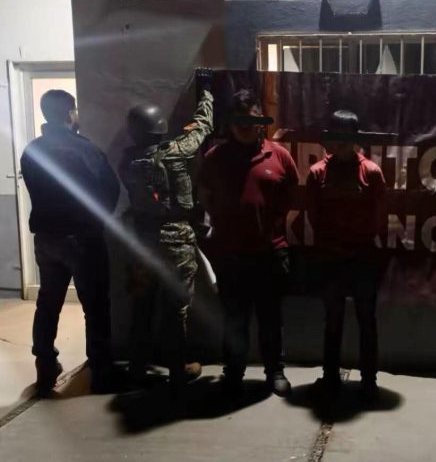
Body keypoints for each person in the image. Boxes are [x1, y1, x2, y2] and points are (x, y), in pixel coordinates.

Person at [119, 69, 214, 398]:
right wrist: (206, 91)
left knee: (142, 305)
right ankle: (177, 369)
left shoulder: (127, 162)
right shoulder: (176, 151)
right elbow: (202, 126)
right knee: (176, 309)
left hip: (141, 242)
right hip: (176, 241)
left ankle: (137, 367)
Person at [198, 89, 299, 397]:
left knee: (271, 318)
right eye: (238, 119)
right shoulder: (214, 158)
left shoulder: (278, 155)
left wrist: (272, 227)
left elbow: (292, 196)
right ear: (229, 122)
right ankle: (233, 373)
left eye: (250, 118)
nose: (244, 125)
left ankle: (275, 371)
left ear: (261, 121)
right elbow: (204, 197)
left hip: (270, 254)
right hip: (230, 256)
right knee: (234, 319)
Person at [21, 89, 120, 396]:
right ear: (69, 113)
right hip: (82, 239)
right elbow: (110, 191)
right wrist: (97, 221)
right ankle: (101, 373)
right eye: (75, 110)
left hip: (46, 239)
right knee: (96, 306)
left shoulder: (31, 151)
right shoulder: (85, 150)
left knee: (48, 303)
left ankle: (45, 367)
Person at [306, 110, 386, 401]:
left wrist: (358, 244)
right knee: (333, 320)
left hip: (362, 259)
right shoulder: (317, 172)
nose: (339, 142)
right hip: (331, 260)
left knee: (367, 320)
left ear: (355, 138)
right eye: (335, 136)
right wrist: (334, 247)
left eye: (345, 136)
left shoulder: (371, 172)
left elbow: (379, 217)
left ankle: (369, 380)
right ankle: (330, 377)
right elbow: (313, 217)